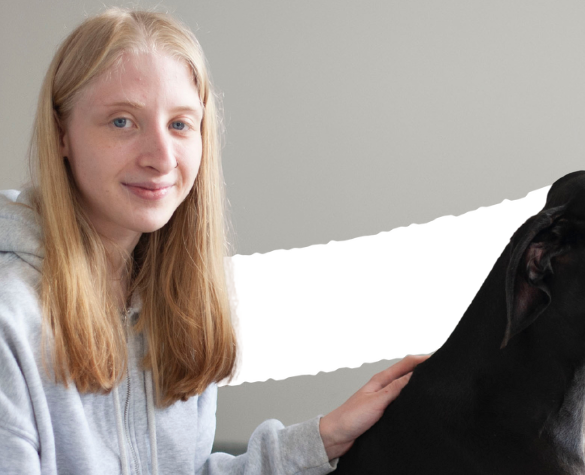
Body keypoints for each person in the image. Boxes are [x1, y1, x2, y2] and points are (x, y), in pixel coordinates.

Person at [0, 8, 426, 474]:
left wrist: (325, 437)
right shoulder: (11, 320)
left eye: (180, 124)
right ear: (61, 134)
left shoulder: (172, 301)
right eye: (122, 121)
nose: (162, 158)